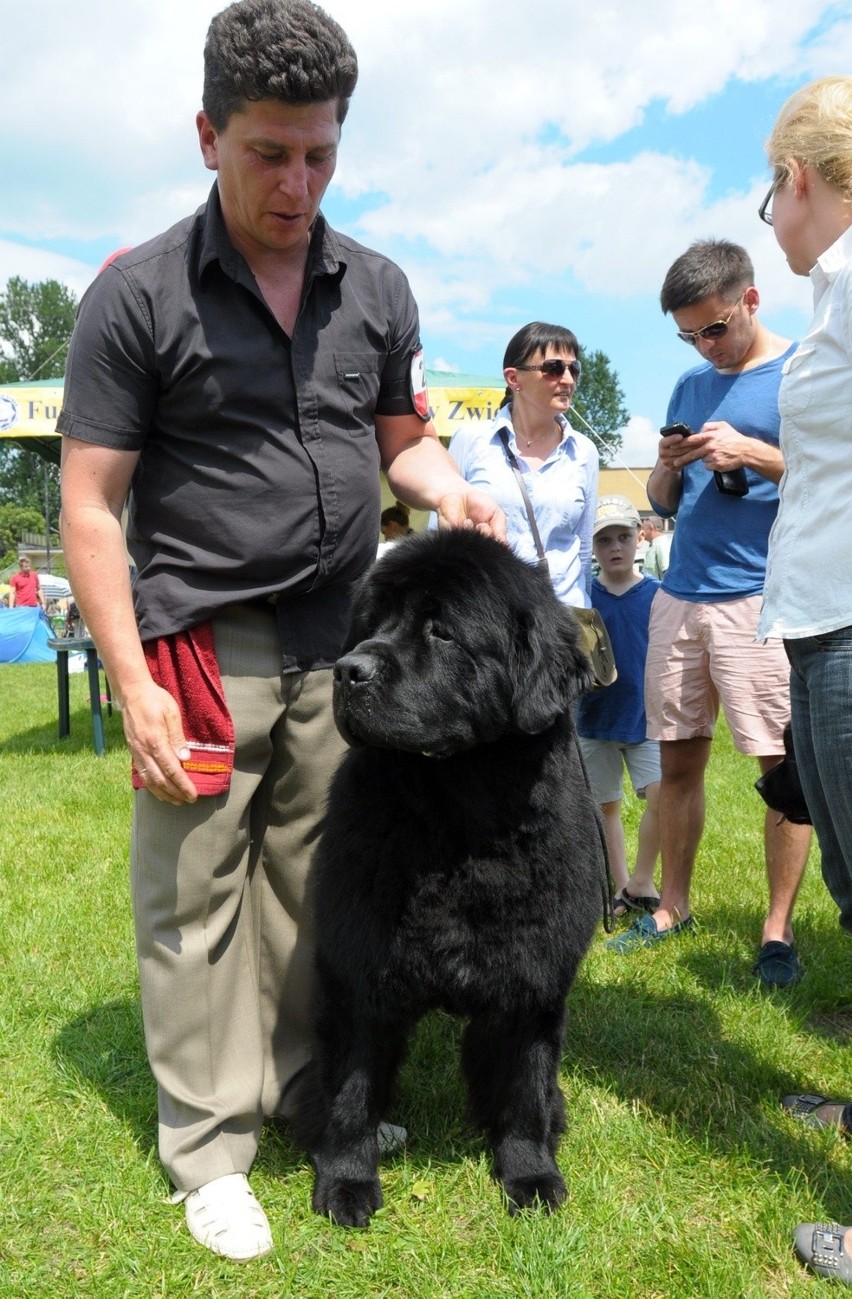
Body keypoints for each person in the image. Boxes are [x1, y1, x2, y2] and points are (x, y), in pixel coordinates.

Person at [58, 0, 503, 1263]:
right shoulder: (137, 294)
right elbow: (87, 502)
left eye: (321, 153)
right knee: (197, 896)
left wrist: (448, 489)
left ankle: (311, 1095)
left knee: (321, 887)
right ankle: (209, 1148)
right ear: (208, 135)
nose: (297, 183)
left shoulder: (381, 288)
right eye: (269, 153)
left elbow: (400, 443)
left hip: (351, 645)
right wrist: (133, 679)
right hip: (201, 645)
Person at [609, 240, 812, 987]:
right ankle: (672, 905)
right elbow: (664, 502)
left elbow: (829, 474)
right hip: (682, 596)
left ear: (751, 301)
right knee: (678, 756)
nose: (704, 346)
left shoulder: (802, 373)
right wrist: (669, 462)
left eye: (715, 328)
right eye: (689, 334)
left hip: (761, 596)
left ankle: (777, 931)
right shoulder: (690, 385)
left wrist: (754, 452)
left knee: (781, 768)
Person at [750, 75, 852, 1286]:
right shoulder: (831, 301)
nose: (770, 212)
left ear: (803, 180)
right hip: (825, 627)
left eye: (770, 186)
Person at [443, 321, 599, 608]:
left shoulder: (585, 452)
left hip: (562, 622)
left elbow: (584, 550)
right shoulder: (471, 441)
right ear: (514, 379)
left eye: (573, 369)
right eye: (553, 368)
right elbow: (441, 537)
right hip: (488, 618)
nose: (568, 379)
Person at [576, 495, 661, 917]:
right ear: (592, 547)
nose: (614, 547)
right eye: (604, 539)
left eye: (623, 537)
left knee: (662, 797)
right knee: (605, 806)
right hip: (595, 720)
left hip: (647, 719)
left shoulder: (658, 595)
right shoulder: (582, 596)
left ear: (639, 539)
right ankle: (620, 885)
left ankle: (644, 879)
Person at [641, 515, 673, 580]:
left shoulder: (662, 545)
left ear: (651, 527)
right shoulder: (654, 545)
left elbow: (667, 573)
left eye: (643, 528)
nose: (641, 532)